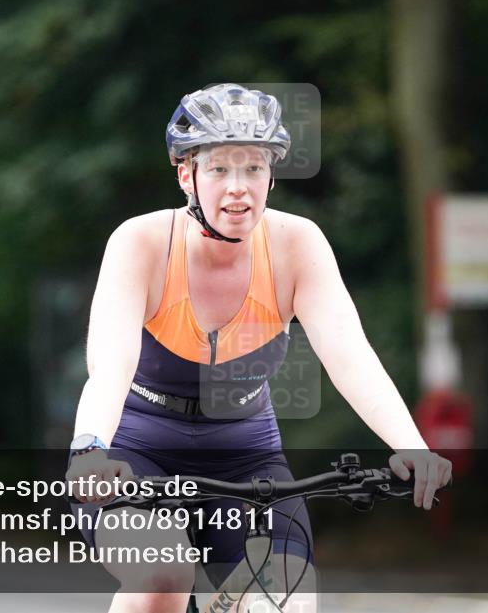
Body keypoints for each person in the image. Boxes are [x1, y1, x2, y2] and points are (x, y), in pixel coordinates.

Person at [67, 83, 452, 613]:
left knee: (284, 601)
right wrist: (89, 450)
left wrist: (410, 443)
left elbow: (348, 354)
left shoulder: (298, 244)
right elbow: (109, 367)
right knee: (163, 574)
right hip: (136, 451)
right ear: (187, 175)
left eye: (254, 168)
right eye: (220, 169)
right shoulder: (140, 242)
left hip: (247, 456)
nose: (239, 189)